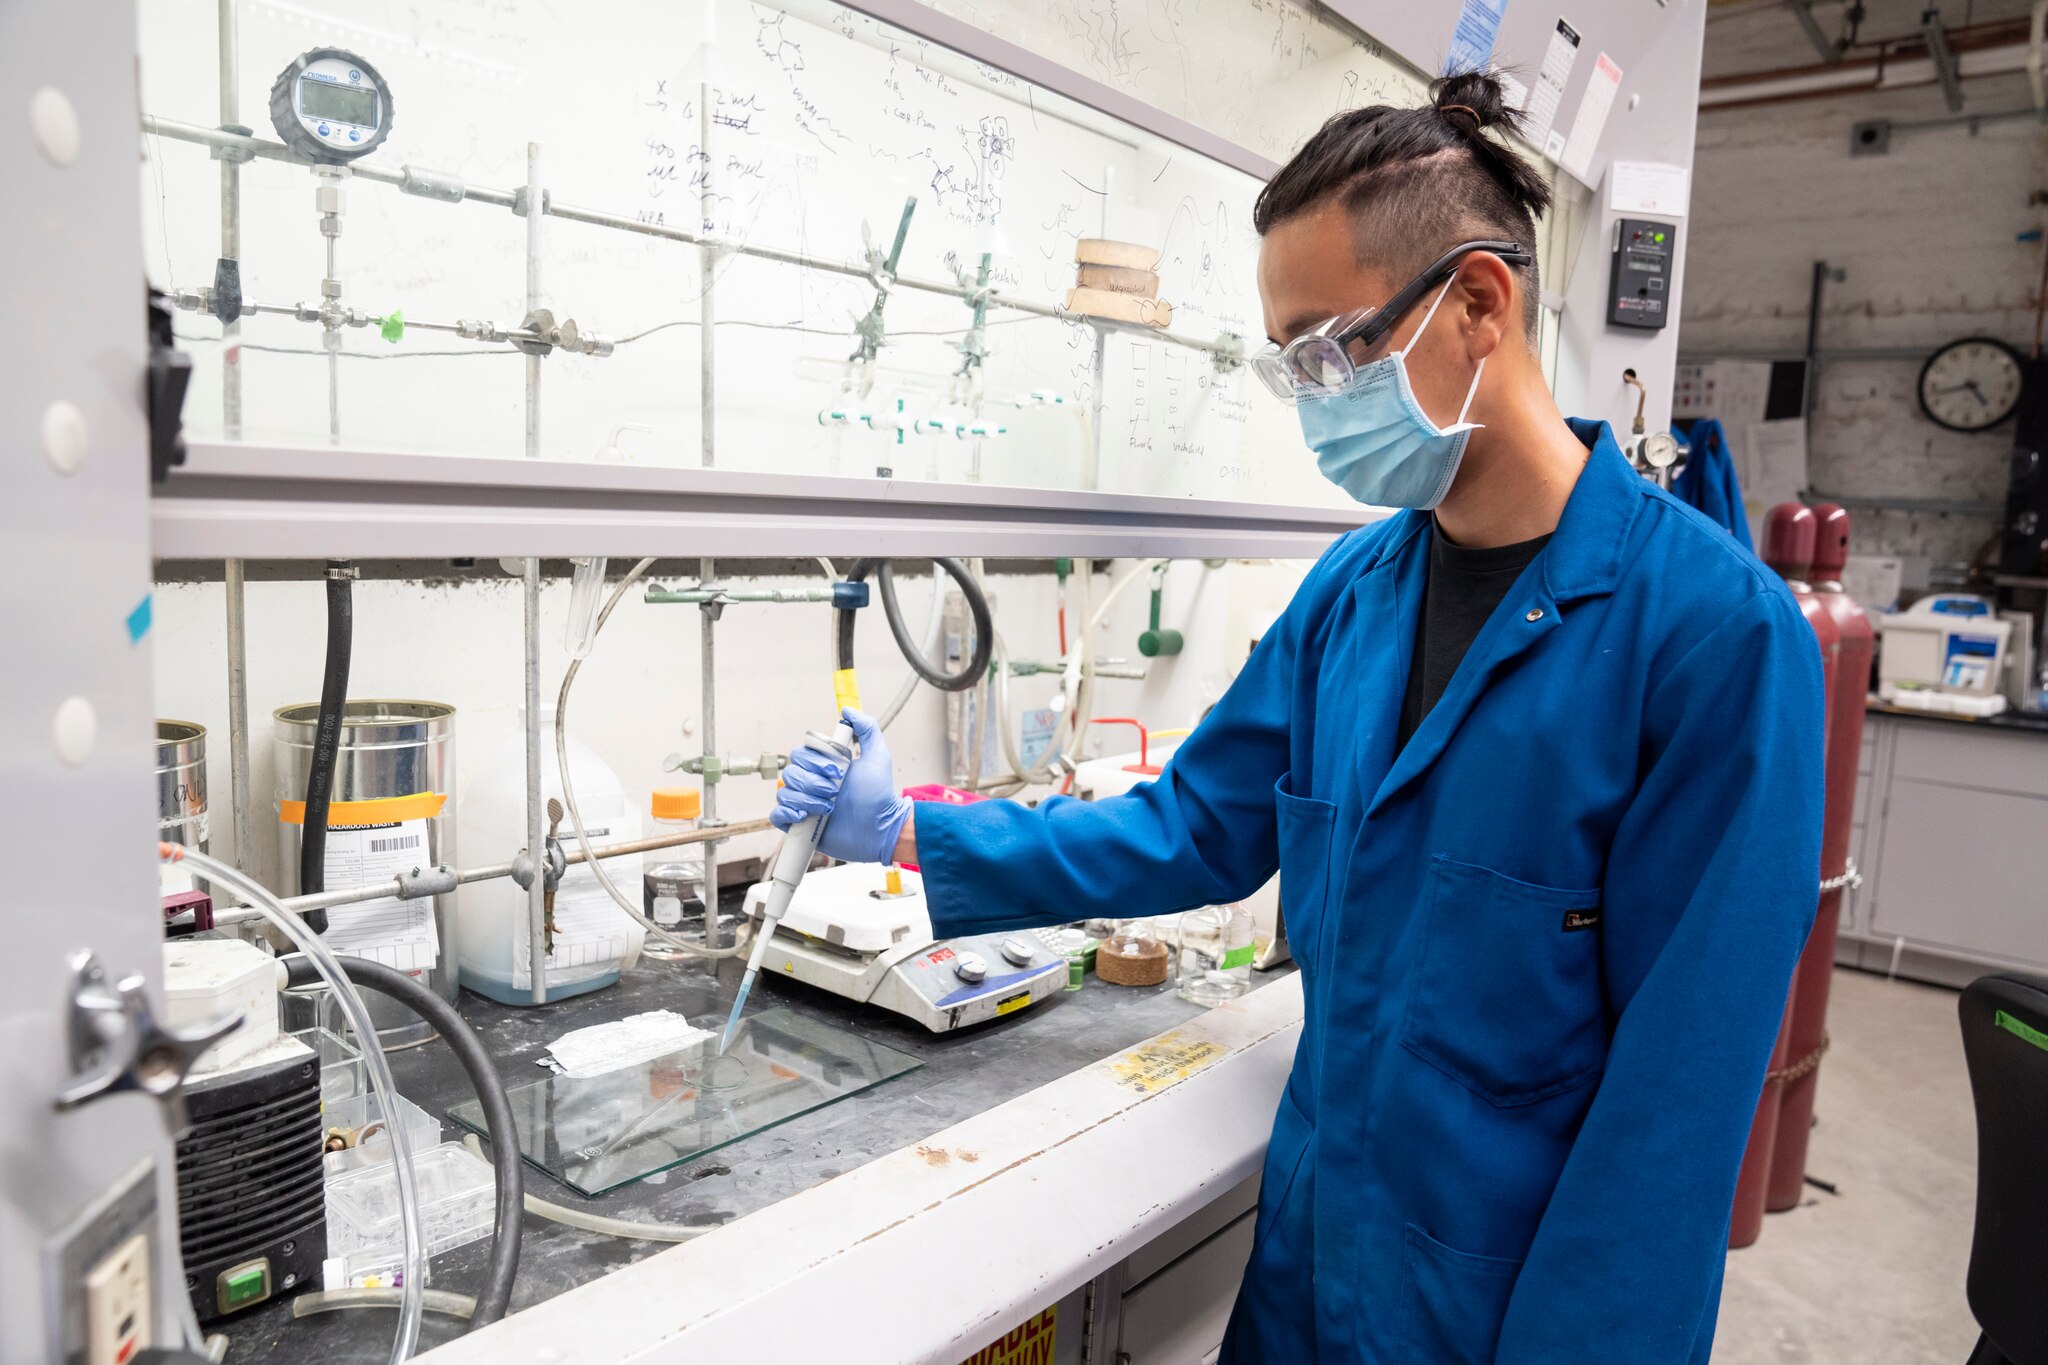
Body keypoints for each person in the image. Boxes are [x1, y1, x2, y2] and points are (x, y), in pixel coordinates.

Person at [773, 71, 1824, 1365]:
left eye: (1331, 348)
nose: (1316, 397)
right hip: (1305, 1292)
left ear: (1479, 303)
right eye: (1289, 366)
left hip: (1493, 1321)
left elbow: (1670, 1126)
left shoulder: (1712, 638)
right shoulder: (1353, 597)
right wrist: (916, 837)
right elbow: (1190, 828)